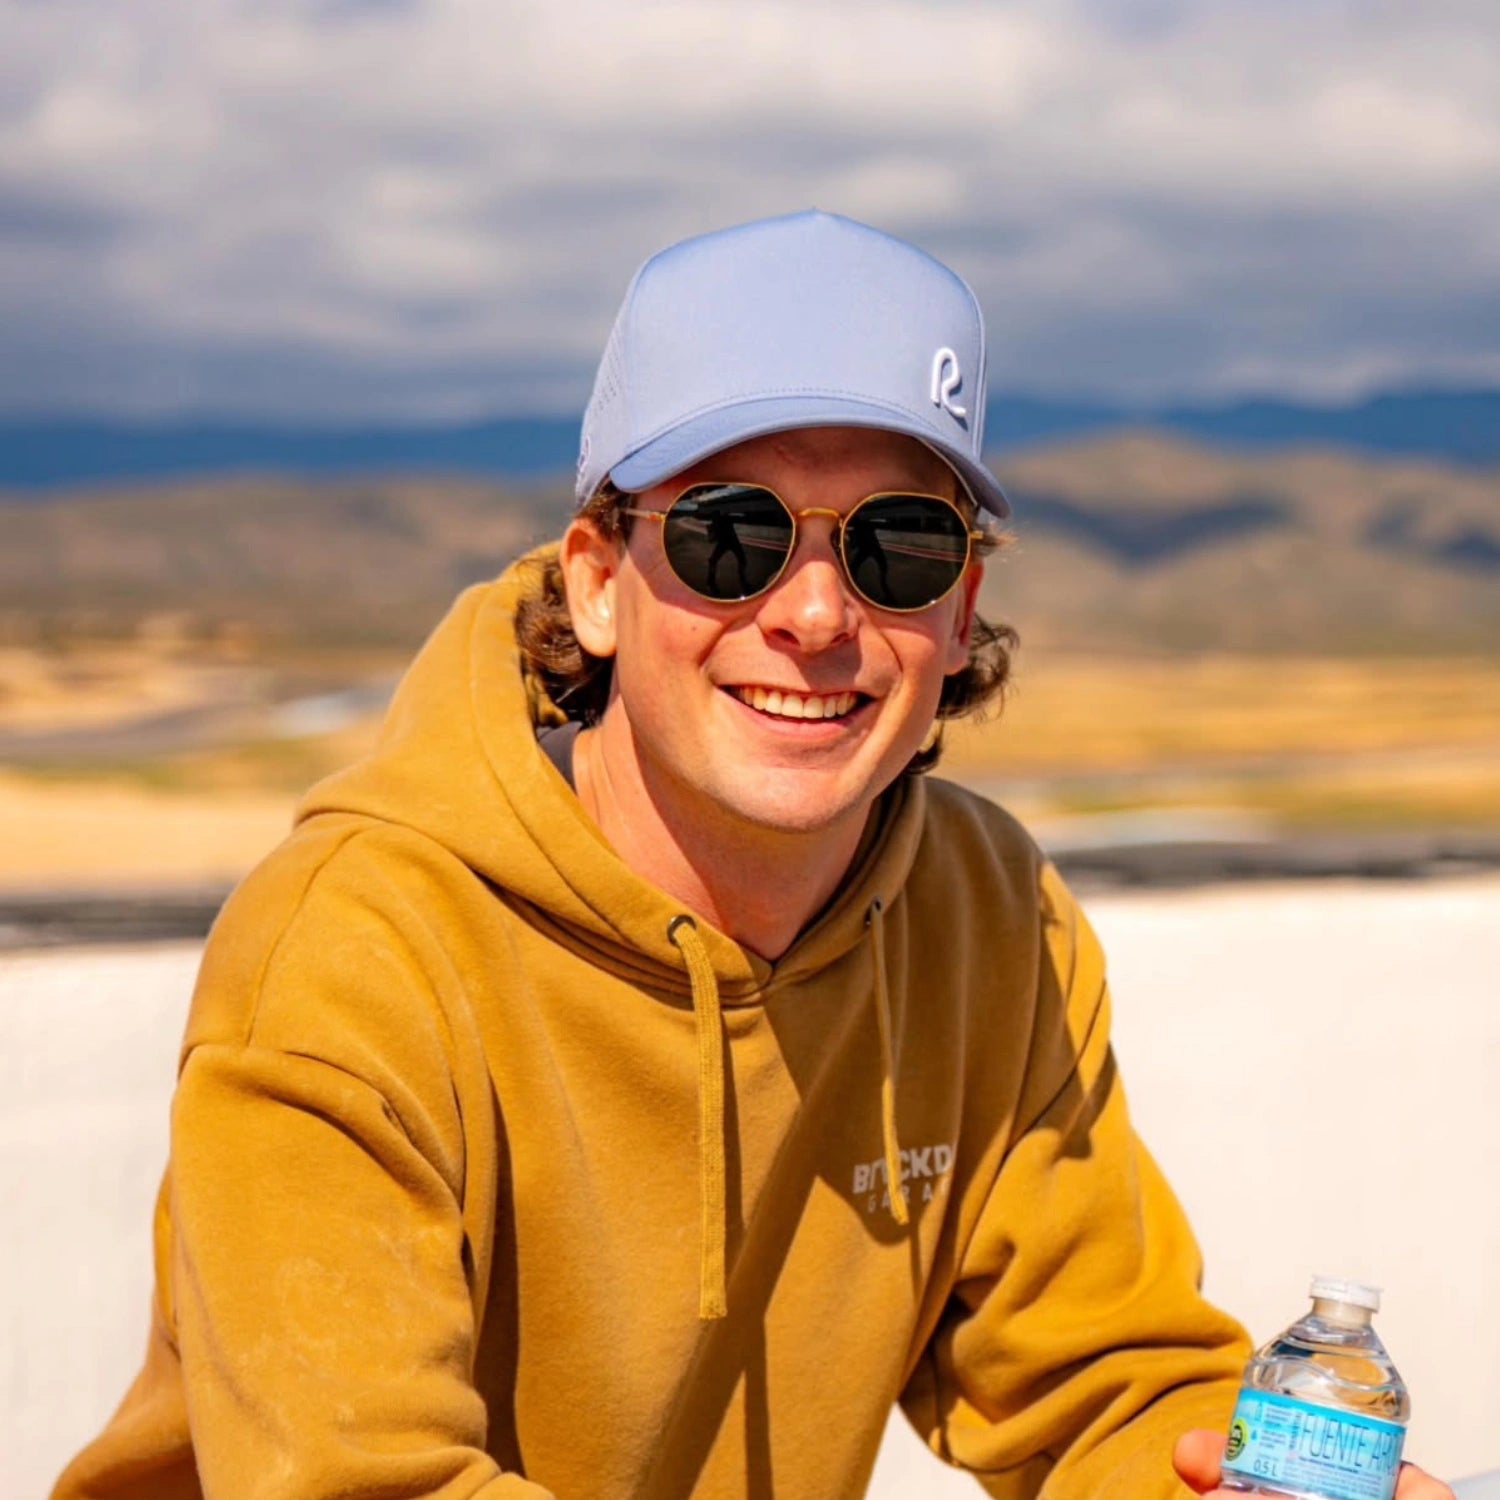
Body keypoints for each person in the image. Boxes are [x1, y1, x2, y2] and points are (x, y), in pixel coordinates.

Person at [53, 210, 1451, 1500]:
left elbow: (1105, 1388)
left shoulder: (986, 918)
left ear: (960, 609)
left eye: (900, 547)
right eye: (733, 537)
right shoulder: (355, 953)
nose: (818, 615)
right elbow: (366, 1486)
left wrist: (1243, 1483)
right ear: (597, 582)